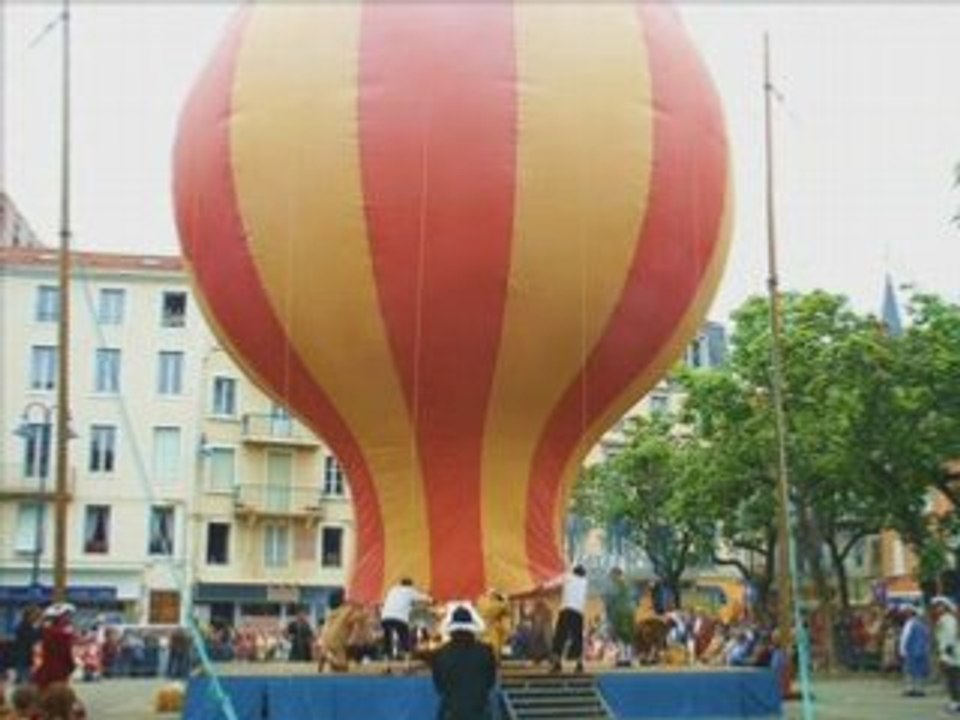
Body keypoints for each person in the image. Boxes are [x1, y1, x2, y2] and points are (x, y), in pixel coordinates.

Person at [431, 604, 496, 720]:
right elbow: (491, 682)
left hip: (452, 712)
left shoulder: (440, 653)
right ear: (472, 629)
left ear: (452, 630)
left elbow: (439, 687)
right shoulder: (486, 651)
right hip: (479, 712)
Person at [546, 564, 588, 673]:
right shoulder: (585, 582)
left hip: (566, 610)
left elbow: (553, 583)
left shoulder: (568, 577)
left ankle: (557, 664)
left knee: (560, 637)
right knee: (577, 638)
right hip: (578, 613)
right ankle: (579, 664)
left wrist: (543, 585)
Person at [381, 578, 430, 662]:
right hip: (400, 618)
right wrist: (432, 598)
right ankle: (407, 666)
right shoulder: (410, 591)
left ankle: (386, 667)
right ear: (410, 585)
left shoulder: (392, 590)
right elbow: (424, 598)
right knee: (405, 641)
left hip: (386, 617)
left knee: (387, 642)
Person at [317, 590, 366, 673]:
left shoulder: (331, 613)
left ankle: (326, 656)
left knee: (337, 668)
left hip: (326, 641)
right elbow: (360, 617)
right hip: (337, 641)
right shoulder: (347, 610)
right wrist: (362, 607)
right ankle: (328, 656)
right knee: (343, 667)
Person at [33, 604, 76, 691]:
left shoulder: (45, 632)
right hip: (59, 671)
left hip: (46, 670)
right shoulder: (63, 635)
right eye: (66, 616)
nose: (69, 619)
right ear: (59, 618)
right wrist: (71, 666)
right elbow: (67, 654)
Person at [932, 596, 960, 713]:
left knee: (953, 679)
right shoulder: (944, 619)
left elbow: (951, 636)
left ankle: (956, 702)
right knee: (952, 679)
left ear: (946, 607)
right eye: (937, 606)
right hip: (948, 653)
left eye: (940, 606)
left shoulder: (948, 619)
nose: (938, 608)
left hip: (952, 654)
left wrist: (948, 651)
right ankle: (955, 701)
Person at [603, 568, 634, 667]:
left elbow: (610, 601)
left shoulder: (615, 585)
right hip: (629, 613)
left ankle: (622, 659)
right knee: (628, 637)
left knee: (620, 636)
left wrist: (608, 615)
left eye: (612, 575)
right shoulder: (628, 584)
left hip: (619, 613)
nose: (611, 578)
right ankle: (628, 658)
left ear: (615, 574)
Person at [899, 605, 930, 697]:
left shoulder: (909, 624)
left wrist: (902, 650)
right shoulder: (922, 625)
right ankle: (919, 689)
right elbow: (926, 638)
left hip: (911, 650)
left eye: (906, 612)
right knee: (919, 671)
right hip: (921, 650)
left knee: (909, 671)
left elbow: (905, 638)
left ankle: (910, 689)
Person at [11, 607, 41, 685]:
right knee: (24, 680)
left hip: (31, 656)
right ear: (28, 616)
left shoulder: (34, 626)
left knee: (29, 680)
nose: (37, 617)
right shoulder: (22, 626)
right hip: (23, 656)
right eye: (35, 615)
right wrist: (38, 628)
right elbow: (31, 638)